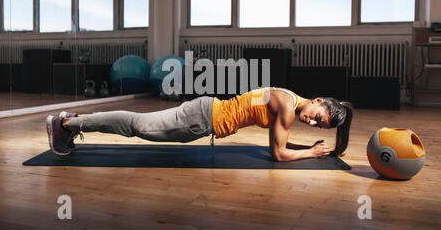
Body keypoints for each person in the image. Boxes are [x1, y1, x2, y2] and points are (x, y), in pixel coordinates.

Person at [46, 87, 353, 162]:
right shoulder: (287, 107)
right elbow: (279, 154)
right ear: (317, 100)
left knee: (137, 125)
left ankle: (70, 123)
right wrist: (310, 153)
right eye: (317, 116)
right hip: (201, 119)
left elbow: (280, 144)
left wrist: (309, 147)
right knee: (135, 125)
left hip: (205, 112)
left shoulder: (289, 96)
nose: (311, 122)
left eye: (318, 126)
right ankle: (66, 124)